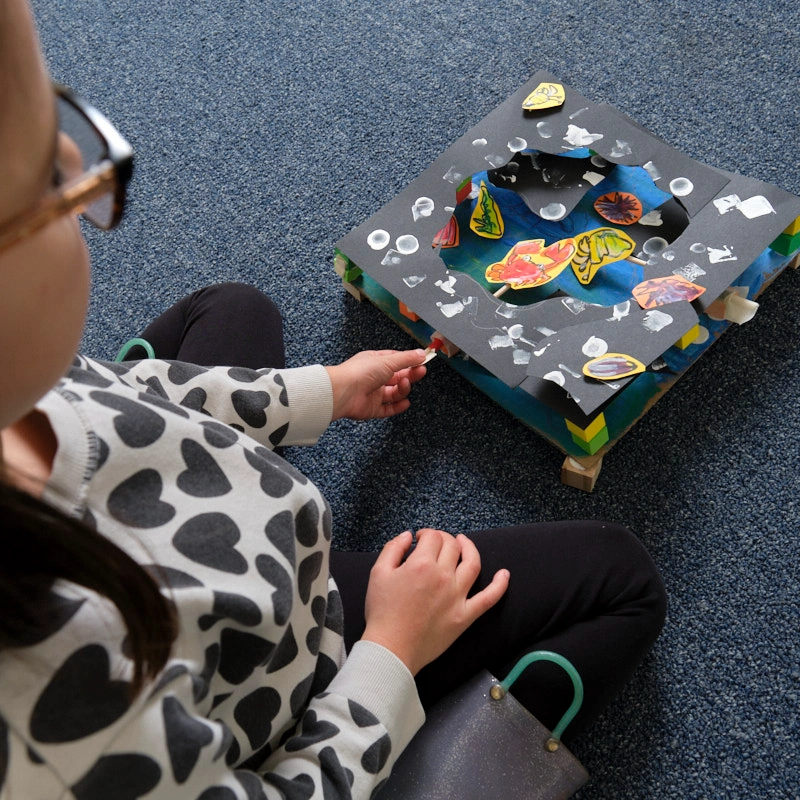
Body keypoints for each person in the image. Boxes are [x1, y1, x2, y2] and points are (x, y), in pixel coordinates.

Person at [0, 1, 667, 797]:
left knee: (235, 310)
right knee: (622, 579)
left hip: (260, 558)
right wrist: (390, 652)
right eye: (47, 173)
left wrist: (322, 392)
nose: (74, 152)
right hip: (295, 673)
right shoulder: (53, 711)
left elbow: (135, 393)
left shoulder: (20, 385)